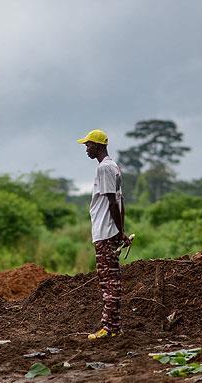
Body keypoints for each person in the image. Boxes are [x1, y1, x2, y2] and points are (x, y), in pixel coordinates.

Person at [77, 129, 132, 340]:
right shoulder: (114, 167)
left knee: (109, 281)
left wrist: (118, 232)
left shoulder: (104, 169)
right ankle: (114, 326)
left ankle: (109, 328)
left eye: (88, 145)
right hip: (109, 232)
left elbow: (112, 202)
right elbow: (121, 203)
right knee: (111, 278)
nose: (86, 149)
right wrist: (122, 231)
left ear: (98, 146)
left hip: (105, 232)